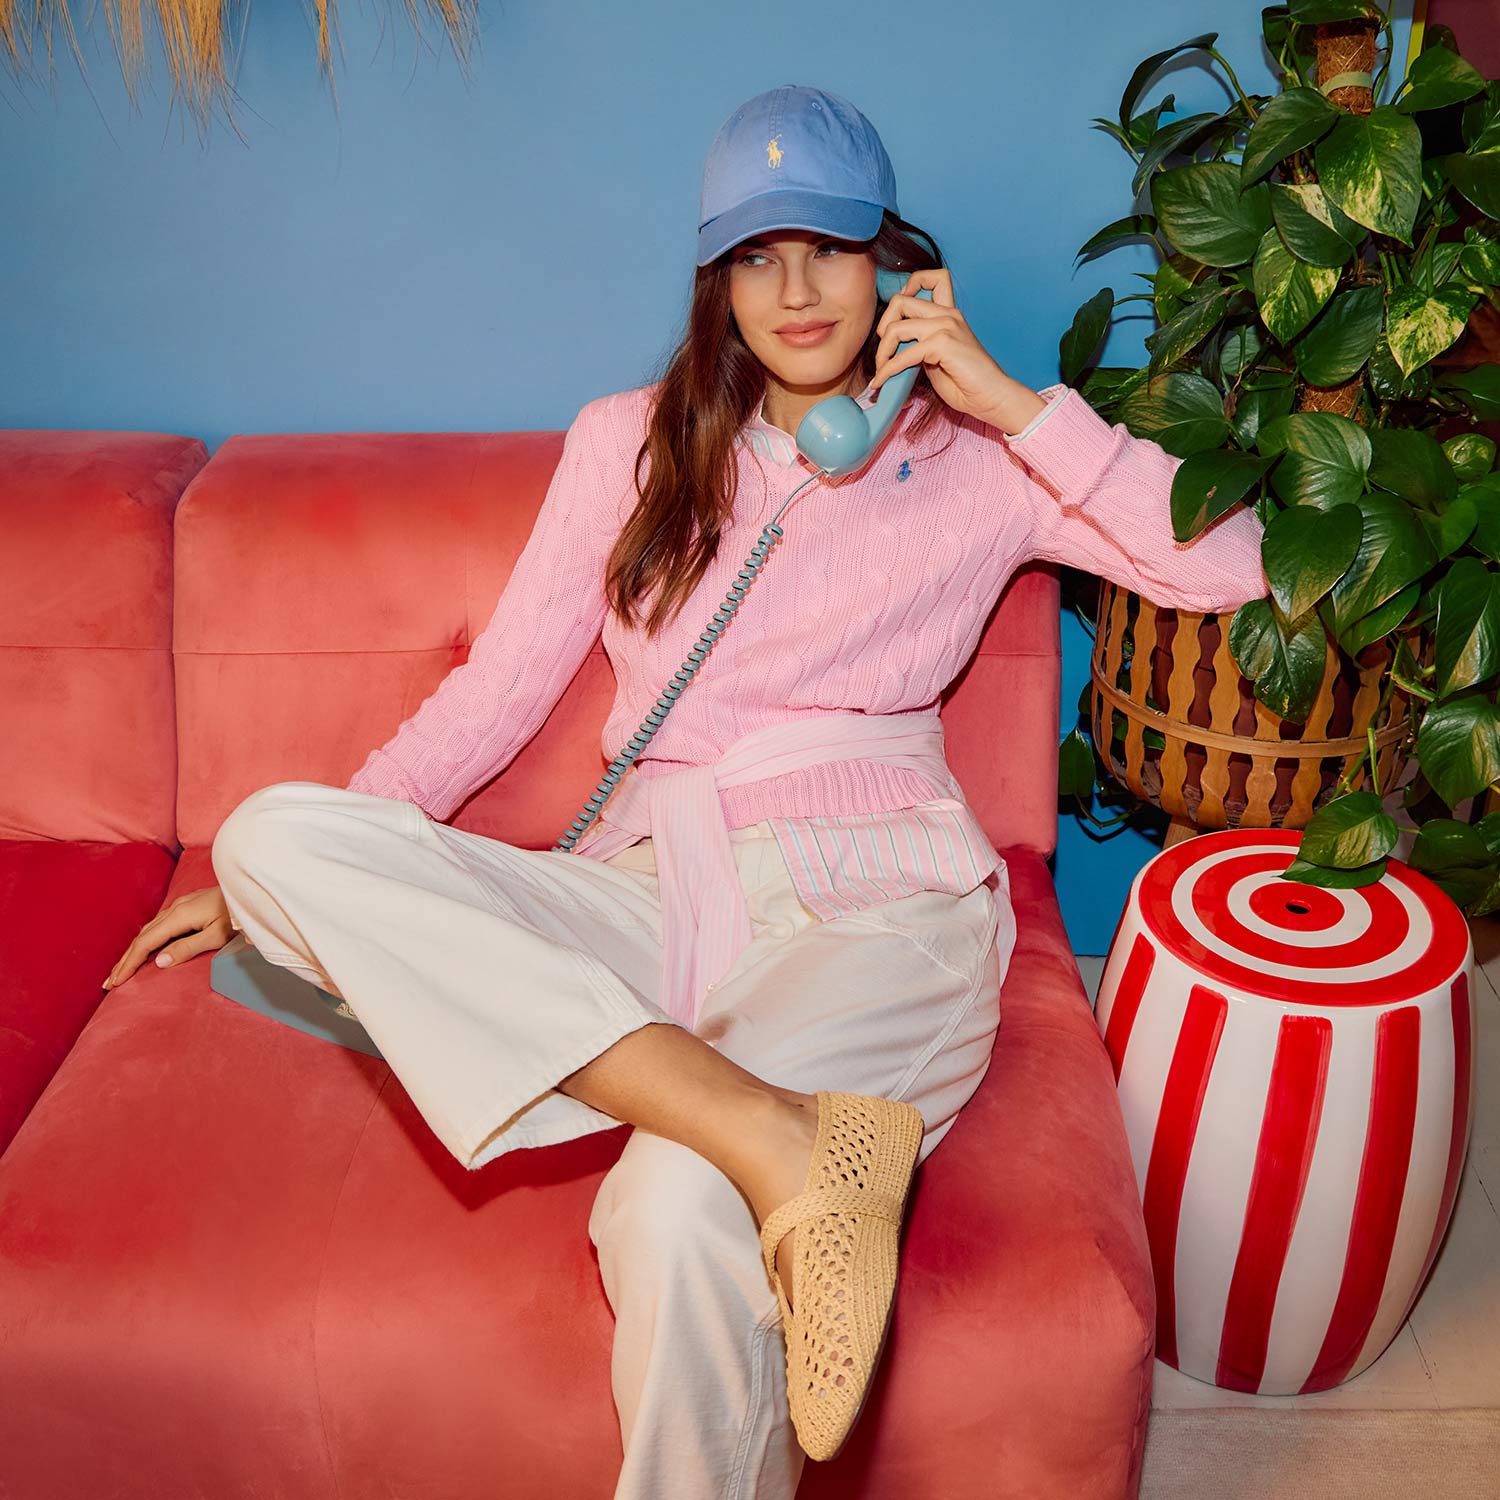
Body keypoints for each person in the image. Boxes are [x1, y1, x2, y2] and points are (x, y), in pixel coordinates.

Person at [102, 84, 1269, 1498]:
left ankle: (746, 1149)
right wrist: (269, 893)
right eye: (756, 258)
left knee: (665, 1213)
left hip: (874, 909)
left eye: (829, 252)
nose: (796, 292)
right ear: (716, 283)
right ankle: (770, 1130)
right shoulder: (630, 441)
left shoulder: (981, 462)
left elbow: (1237, 567)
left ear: (893, 265)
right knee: (280, 832)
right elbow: (496, 694)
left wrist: (1014, 405)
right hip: (660, 894)